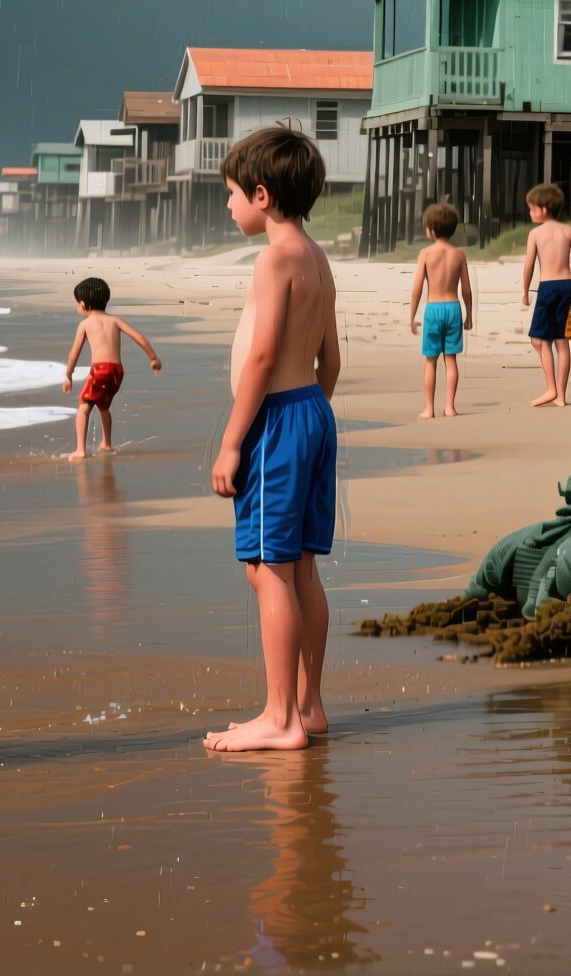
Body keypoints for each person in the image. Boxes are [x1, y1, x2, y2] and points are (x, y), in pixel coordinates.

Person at [205, 123, 342, 753]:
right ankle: (309, 704)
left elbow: (262, 357)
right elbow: (330, 360)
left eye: (231, 194)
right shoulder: (317, 257)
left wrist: (235, 440)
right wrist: (311, 422)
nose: (229, 206)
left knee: (267, 570)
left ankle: (280, 717)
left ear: (261, 195)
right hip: (313, 411)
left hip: (278, 420)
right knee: (302, 568)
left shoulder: (274, 259)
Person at [60, 276, 163, 459]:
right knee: (103, 406)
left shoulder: (85, 324)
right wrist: (152, 357)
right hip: (117, 371)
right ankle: (106, 443)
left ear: (83, 304)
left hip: (99, 370)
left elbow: (73, 353)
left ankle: (80, 450)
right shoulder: (115, 320)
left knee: (84, 406)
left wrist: (68, 374)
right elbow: (138, 336)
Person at [520, 181, 571, 408]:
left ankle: (550, 388)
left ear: (543, 209)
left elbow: (529, 265)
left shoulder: (536, 234)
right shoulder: (569, 230)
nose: (529, 212)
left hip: (548, 287)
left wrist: (525, 291)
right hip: (568, 285)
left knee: (539, 339)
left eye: (531, 208)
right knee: (563, 341)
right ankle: (561, 396)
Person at [407, 202, 473, 419]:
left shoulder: (426, 253)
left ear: (432, 229)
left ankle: (429, 408)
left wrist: (412, 316)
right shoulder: (459, 254)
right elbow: (466, 289)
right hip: (453, 308)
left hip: (433, 309)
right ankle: (450, 407)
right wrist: (469, 315)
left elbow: (417, 289)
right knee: (451, 360)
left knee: (431, 360)